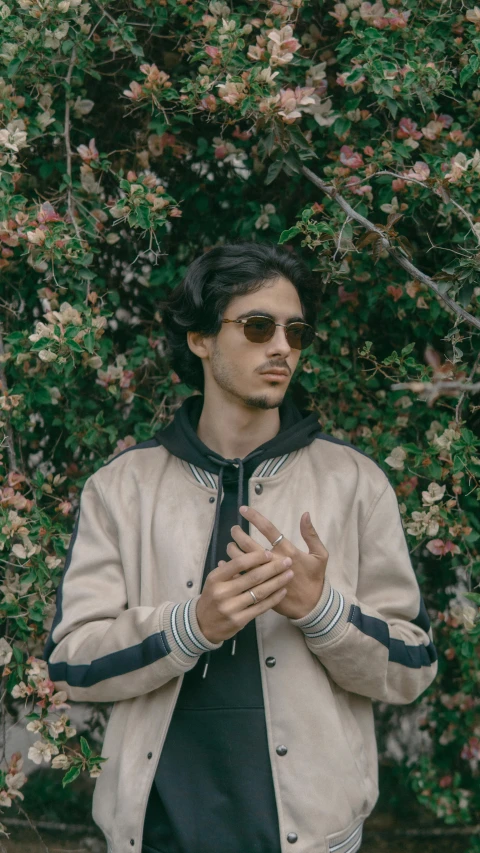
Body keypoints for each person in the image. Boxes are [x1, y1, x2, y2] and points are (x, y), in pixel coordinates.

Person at [43, 241, 438, 853]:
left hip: (314, 838)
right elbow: (72, 664)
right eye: (258, 326)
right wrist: (189, 626)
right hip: (157, 836)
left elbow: (414, 667)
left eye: (295, 331)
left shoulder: (355, 483)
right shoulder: (120, 489)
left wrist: (323, 613)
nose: (282, 347)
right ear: (201, 338)